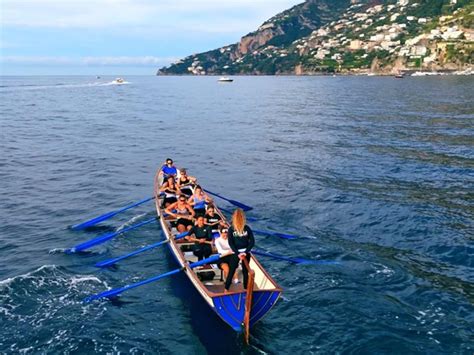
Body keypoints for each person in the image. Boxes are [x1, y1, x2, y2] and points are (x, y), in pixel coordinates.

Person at [225, 209, 255, 292]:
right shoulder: (234, 229)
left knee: (232, 270)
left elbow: (231, 243)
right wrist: (244, 252)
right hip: (242, 253)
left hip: (239, 253)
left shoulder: (232, 229)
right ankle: (245, 289)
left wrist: (241, 253)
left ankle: (226, 289)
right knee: (244, 271)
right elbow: (251, 242)